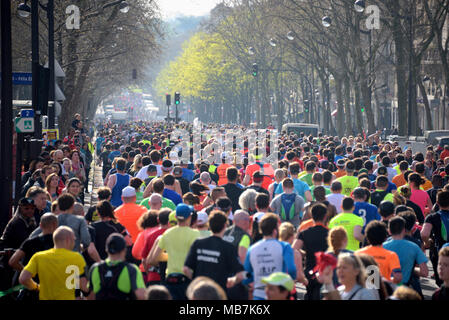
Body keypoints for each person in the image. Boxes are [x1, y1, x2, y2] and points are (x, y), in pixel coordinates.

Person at [19, 226, 88, 300]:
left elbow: (23, 278)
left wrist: (36, 287)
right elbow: (84, 285)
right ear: (68, 240)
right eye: (74, 240)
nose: (74, 243)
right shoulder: (77, 257)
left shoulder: (39, 256)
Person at [147, 203, 200, 300]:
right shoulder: (195, 234)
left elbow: (152, 259)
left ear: (176, 217)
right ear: (190, 217)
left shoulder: (167, 233)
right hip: (187, 279)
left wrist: (169, 256)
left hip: (170, 279)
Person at [184, 210, 246, 292]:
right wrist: (232, 281)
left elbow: (186, 269)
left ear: (209, 225)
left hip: (199, 291)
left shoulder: (198, 243)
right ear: (225, 226)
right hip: (218, 292)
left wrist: (195, 280)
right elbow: (241, 275)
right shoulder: (228, 247)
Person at [243, 213, 296, 300]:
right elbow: (291, 269)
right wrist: (288, 284)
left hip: (258, 294)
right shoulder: (284, 246)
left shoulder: (252, 249)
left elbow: (245, 275)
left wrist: (255, 279)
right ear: (275, 230)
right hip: (278, 293)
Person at [87, 233, 146, 300]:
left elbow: (91, 296)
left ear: (106, 249)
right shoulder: (131, 269)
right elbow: (141, 296)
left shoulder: (95, 268)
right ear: (124, 250)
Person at [293, 203, 329, 300]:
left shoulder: (304, 233)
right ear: (325, 216)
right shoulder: (329, 233)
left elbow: (294, 249)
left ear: (311, 215)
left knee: (310, 293)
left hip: (309, 268)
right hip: (324, 270)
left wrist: (305, 253)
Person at [384, 217, 429, 288]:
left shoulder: (382, 247)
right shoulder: (414, 247)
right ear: (404, 230)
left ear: (389, 231)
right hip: (405, 289)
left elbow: (373, 270)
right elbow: (424, 272)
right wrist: (411, 268)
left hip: (386, 287)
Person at [421, 190, 449, 286]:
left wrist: (427, 242)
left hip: (439, 252)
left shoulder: (432, 217)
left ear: (437, 203)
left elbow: (424, 234)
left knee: (441, 282)